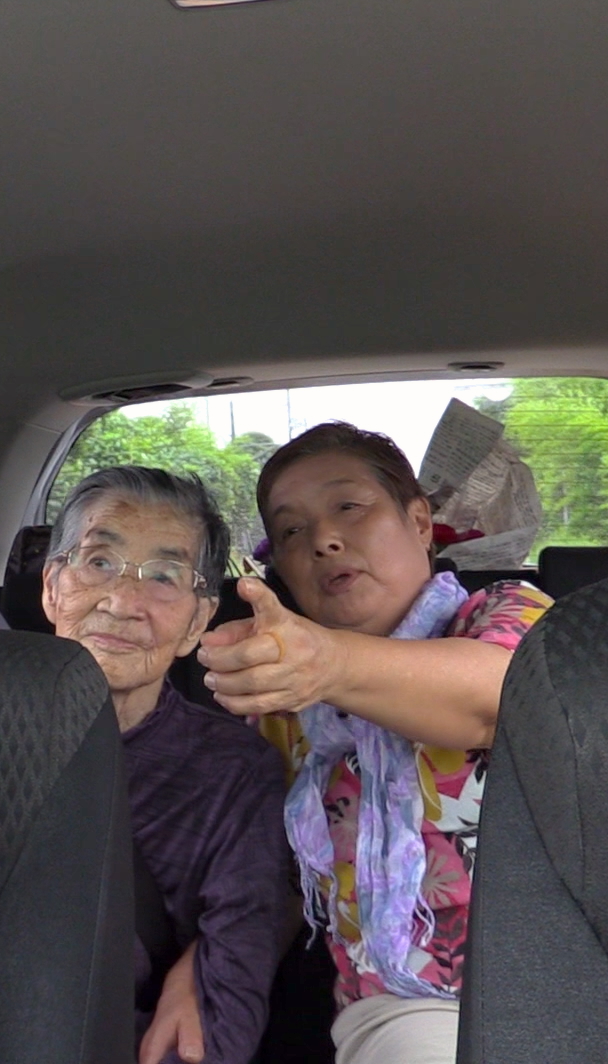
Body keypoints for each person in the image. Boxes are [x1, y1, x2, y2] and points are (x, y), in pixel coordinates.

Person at [196, 422, 551, 1064]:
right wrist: (197, 970)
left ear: (418, 522)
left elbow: (497, 697)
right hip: (404, 1002)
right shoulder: (280, 701)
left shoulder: (506, 611)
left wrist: (327, 664)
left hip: (563, 976)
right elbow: (274, 879)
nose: (323, 540)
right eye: (291, 532)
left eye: (349, 507)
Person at [41, 466, 292, 1064]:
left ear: (198, 622)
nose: (122, 602)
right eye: (99, 561)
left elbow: (219, 1024)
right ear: (53, 587)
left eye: (163, 576)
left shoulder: (233, 774)